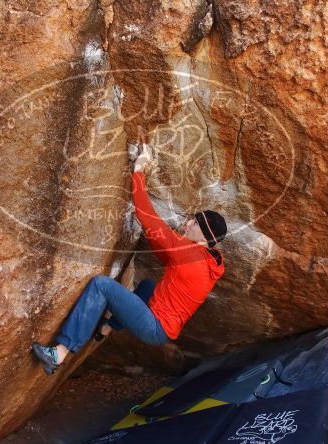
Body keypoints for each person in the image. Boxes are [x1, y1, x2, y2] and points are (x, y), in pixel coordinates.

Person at [31, 144, 227, 375]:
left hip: (153, 327)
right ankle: (106, 328)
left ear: (204, 235)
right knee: (147, 287)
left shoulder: (190, 253)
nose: (187, 224)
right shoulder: (211, 260)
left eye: (193, 223)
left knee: (101, 285)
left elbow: (146, 214)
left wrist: (139, 170)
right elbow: (166, 256)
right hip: (161, 326)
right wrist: (153, 233)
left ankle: (59, 353)